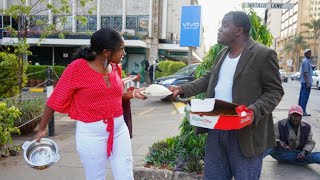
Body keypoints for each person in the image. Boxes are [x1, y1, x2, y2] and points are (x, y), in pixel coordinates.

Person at [169, 11, 284, 179]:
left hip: (245, 132)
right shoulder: (222, 53)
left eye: (224, 25)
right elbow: (209, 79)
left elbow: (275, 91)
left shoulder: (263, 54)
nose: (219, 30)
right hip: (216, 127)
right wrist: (182, 88)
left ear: (238, 30)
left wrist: (253, 111)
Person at [34, 28, 146, 180]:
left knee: (126, 175)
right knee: (96, 177)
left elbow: (114, 97)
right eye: (121, 49)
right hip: (91, 135)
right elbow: (55, 99)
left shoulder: (114, 68)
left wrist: (133, 94)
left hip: (119, 130)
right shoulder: (77, 68)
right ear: (106, 52)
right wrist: (41, 129)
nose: (124, 53)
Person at [298, 49, 313, 116]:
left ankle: (300, 111)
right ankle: (302, 111)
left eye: (310, 53)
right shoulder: (306, 61)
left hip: (304, 82)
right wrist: (308, 83)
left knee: (302, 97)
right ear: (305, 54)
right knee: (304, 97)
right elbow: (305, 73)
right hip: (306, 82)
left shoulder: (306, 61)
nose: (309, 54)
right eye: (308, 53)